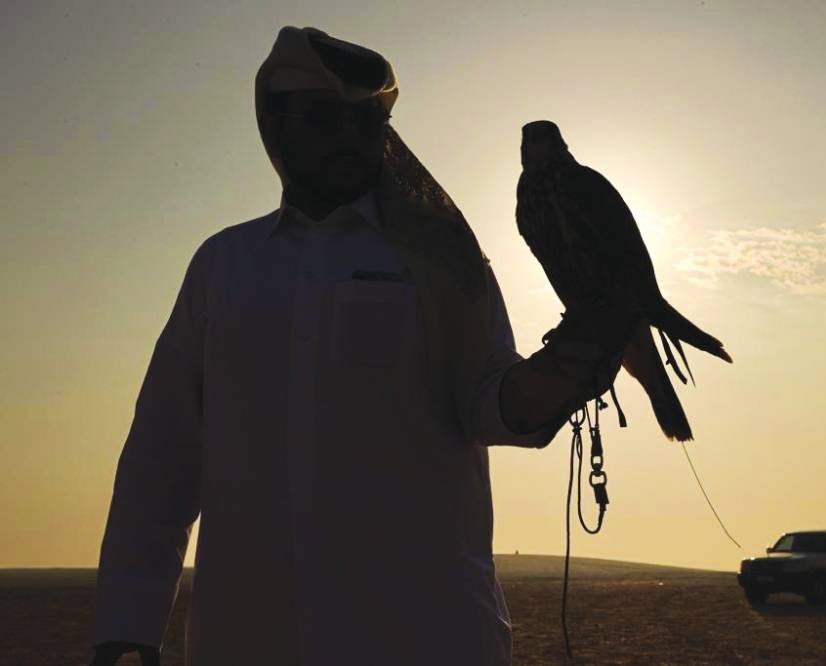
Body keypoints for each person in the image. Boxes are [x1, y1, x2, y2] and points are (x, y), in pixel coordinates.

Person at [89, 25, 637, 666]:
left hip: (427, 637)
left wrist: (568, 369)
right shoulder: (224, 265)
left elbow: (490, 401)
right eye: (324, 118)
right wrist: (127, 622)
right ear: (275, 124)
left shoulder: (444, 258)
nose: (349, 137)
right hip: (247, 636)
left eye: (367, 121)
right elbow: (162, 454)